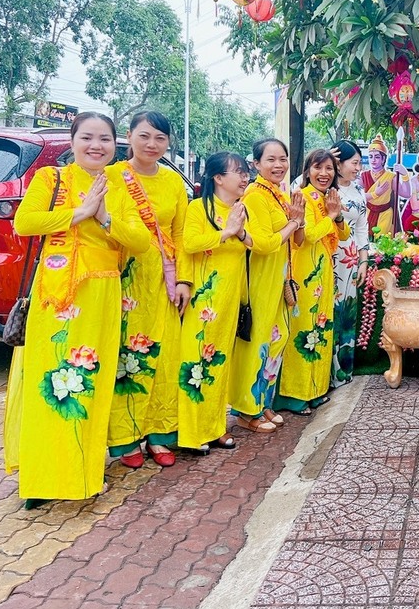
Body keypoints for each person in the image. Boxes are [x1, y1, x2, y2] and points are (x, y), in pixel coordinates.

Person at [4, 112, 150, 508]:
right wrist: (77, 214)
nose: (95, 146)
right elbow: (25, 222)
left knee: (87, 383)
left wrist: (104, 218)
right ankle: (39, 478)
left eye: (104, 139)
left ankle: (80, 473)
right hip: (54, 292)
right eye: (87, 137)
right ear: (72, 141)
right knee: (46, 379)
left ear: (115, 145)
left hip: (99, 292)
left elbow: (140, 241)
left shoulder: (121, 186)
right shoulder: (50, 179)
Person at [104, 111, 190, 469]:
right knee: (128, 360)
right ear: (128, 136)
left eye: (159, 138)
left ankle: (160, 433)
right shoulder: (111, 177)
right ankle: (125, 439)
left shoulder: (172, 182)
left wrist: (185, 280)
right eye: (144, 136)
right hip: (125, 281)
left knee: (166, 358)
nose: (152, 144)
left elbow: (183, 234)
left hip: (165, 283)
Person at [176, 152, 253, 452]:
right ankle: (193, 433)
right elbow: (190, 243)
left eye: (246, 172)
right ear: (218, 178)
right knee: (197, 361)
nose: (245, 177)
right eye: (238, 172)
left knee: (220, 362)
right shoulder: (199, 207)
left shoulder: (241, 208)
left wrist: (242, 232)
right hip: (204, 299)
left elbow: (256, 242)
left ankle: (216, 427)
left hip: (231, 298)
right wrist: (226, 233)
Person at [229, 139, 306, 434]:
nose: (278, 165)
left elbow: (297, 241)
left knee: (278, 336)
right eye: (271, 160)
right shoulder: (255, 195)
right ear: (257, 164)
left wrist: (298, 222)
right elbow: (262, 243)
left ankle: (263, 401)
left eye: (283, 159)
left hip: (280, 275)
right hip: (260, 277)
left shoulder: (281, 194)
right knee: (258, 340)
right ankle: (247, 410)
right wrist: (291, 224)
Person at [277, 150, 350, 414]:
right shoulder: (303, 197)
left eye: (329, 168)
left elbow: (343, 235)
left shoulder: (327, 198)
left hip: (323, 271)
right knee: (303, 329)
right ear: (307, 171)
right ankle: (294, 394)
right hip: (305, 272)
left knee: (321, 329)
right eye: (318, 167)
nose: (324, 173)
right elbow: (307, 235)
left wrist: (338, 215)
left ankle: (315, 389)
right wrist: (330, 216)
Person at [330, 140, 369, 387]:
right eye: (354, 163)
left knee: (346, 311)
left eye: (359, 163)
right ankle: (321, 375)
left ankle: (341, 373)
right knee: (327, 314)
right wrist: (324, 158)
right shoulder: (322, 188)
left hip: (351, 260)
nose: (358, 168)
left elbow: (363, 228)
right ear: (338, 163)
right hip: (329, 257)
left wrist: (364, 261)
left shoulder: (358, 191)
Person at [361, 134, 397, 237]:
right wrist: (375, 194)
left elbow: (406, 194)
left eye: (377, 157)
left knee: (382, 244)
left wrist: (404, 177)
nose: (373, 160)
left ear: (383, 159)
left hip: (385, 214)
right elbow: (358, 197)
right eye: (371, 156)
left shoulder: (391, 176)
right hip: (367, 212)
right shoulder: (363, 176)